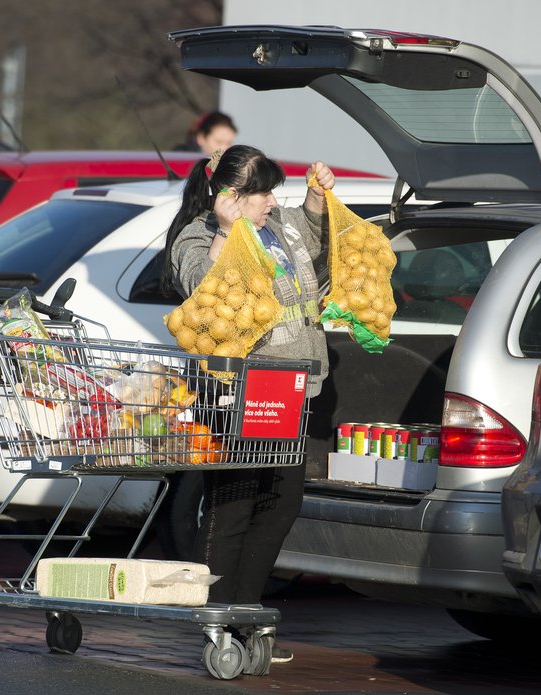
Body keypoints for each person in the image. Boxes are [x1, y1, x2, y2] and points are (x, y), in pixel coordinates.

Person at [164, 144, 335, 665]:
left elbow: (315, 242)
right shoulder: (196, 236)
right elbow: (201, 289)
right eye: (262, 193)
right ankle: (217, 622)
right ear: (232, 197)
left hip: (291, 388)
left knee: (281, 503)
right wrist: (224, 231)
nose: (270, 202)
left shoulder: (278, 222)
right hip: (238, 389)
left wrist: (313, 199)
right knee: (233, 502)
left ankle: (244, 612)